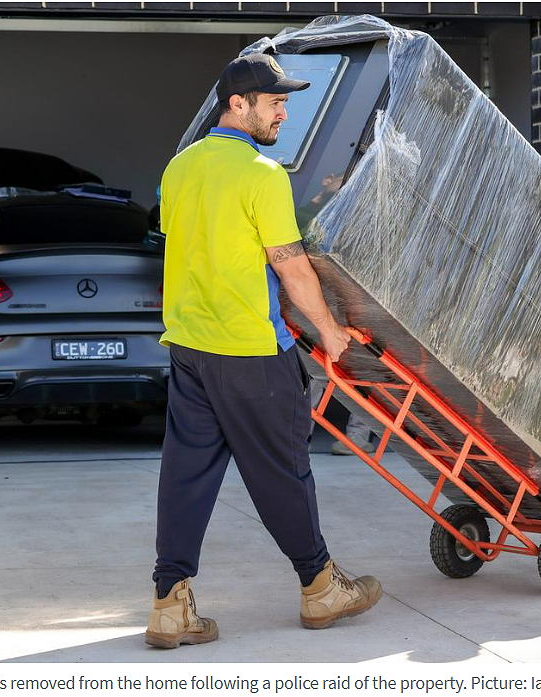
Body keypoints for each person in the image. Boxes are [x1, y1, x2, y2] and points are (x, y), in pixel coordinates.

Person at [146, 54, 382, 649]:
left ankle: (169, 606)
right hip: (251, 349)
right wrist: (328, 330)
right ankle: (322, 588)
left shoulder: (179, 169)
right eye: (274, 101)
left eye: (285, 102)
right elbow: (290, 265)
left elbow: (189, 247)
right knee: (282, 471)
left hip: (189, 348)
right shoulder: (262, 173)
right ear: (237, 104)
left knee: (185, 476)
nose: (284, 112)